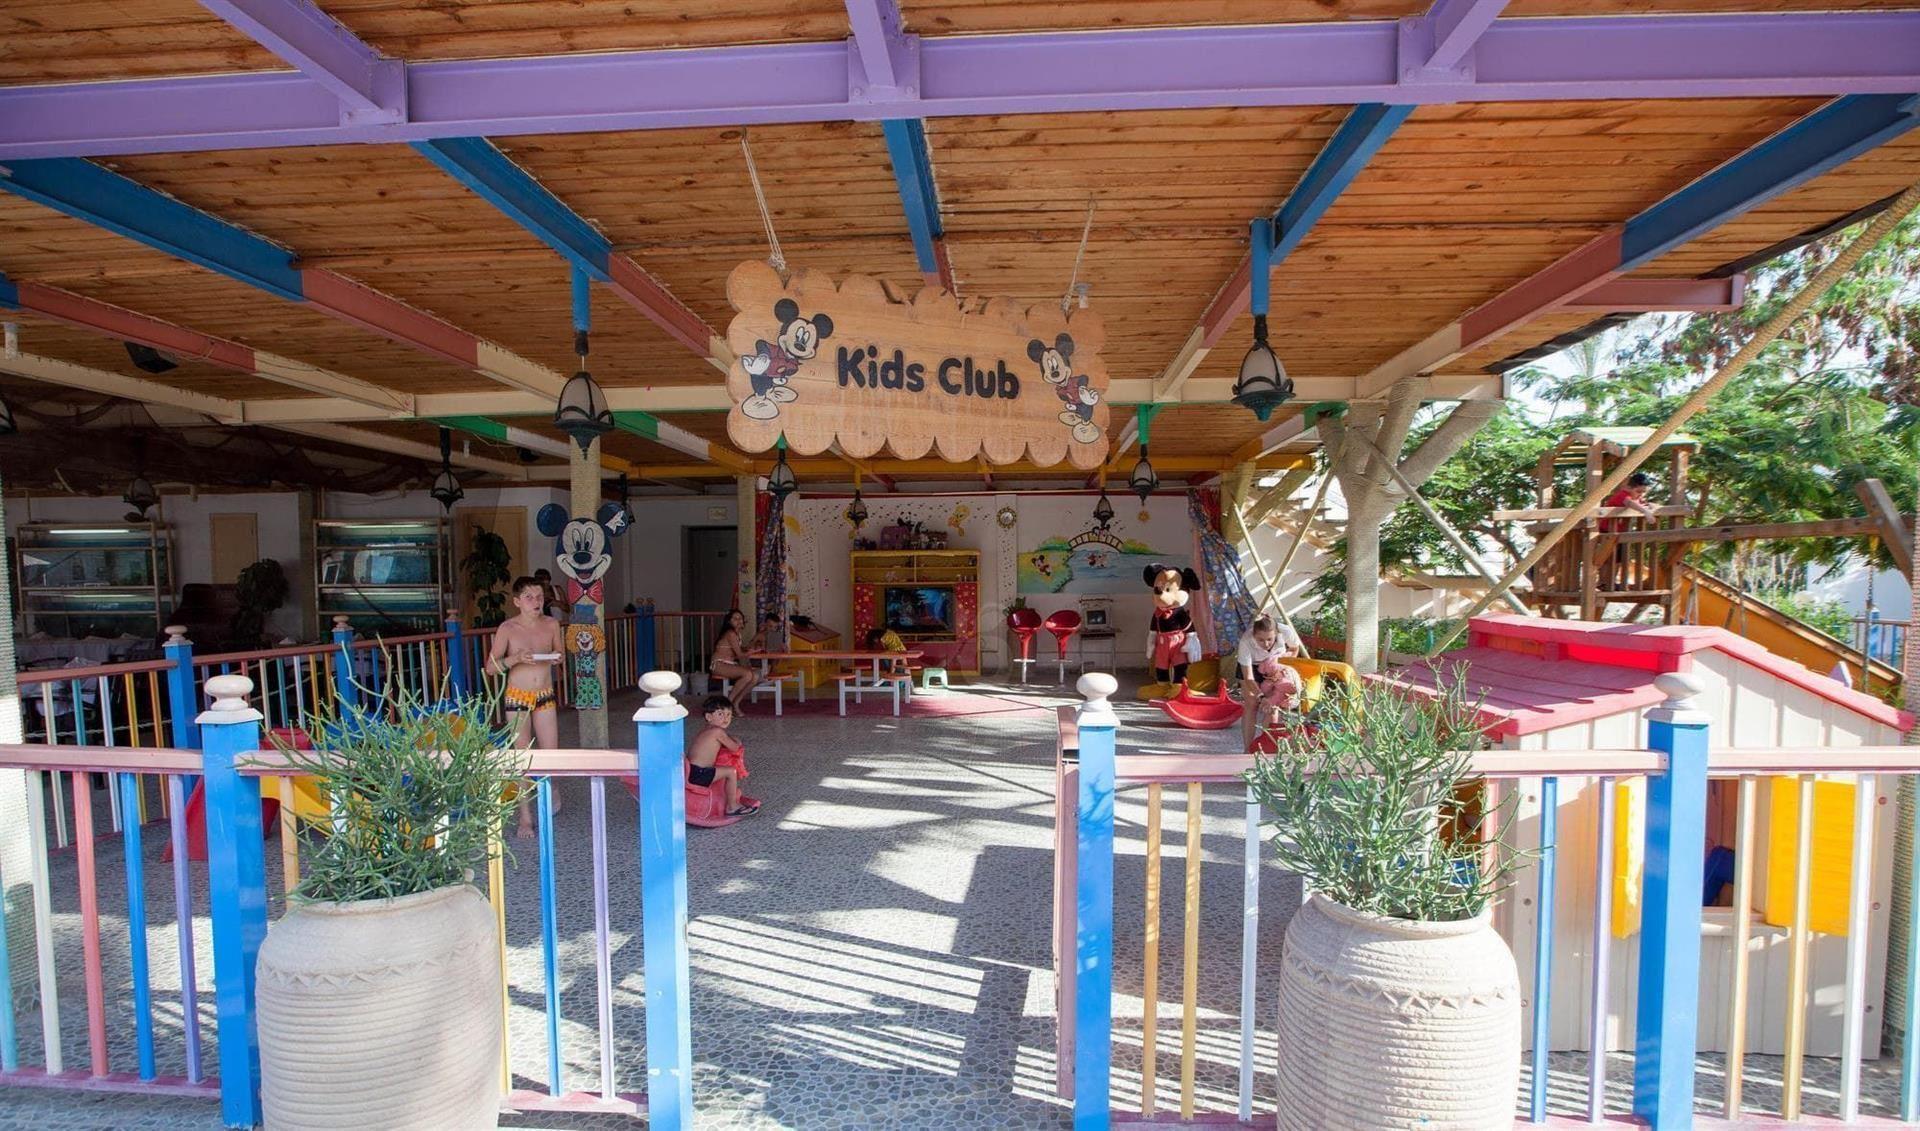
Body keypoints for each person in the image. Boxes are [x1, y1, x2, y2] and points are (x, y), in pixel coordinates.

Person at [488, 576, 565, 838]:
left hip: (545, 694)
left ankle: (550, 793)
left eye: (540, 597)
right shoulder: (507, 628)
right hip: (517, 696)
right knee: (522, 756)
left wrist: (557, 659)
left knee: (550, 755)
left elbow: (560, 653)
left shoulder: (552, 624)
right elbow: (491, 667)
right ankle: (525, 817)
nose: (536, 602)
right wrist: (516, 658)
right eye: (529, 597)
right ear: (517, 601)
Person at [1237, 615, 1305, 745]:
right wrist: (1261, 697)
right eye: (1260, 640)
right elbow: (1248, 677)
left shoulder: (1285, 631)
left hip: (1274, 665)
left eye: (1270, 639)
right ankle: (1247, 748)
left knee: (1272, 706)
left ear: (1276, 634)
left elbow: (1294, 649)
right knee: (1252, 703)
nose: (1266, 644)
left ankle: (1267, 745)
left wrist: (1282, 667)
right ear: (1254, 635)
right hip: (1252, 666)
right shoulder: (1245, 642)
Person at [687, 695, 758, 817]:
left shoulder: (707, 730)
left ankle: (727, 797)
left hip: (693, 771)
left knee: (723, 768)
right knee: (731, 772)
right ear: (709, 717)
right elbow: (735, 748)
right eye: (720, 714)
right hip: (699, 773)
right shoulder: (718, 732)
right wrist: (737, 741)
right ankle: (732, 807)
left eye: (729, 714)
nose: (726, 718)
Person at [1598, 472, 1661, 587]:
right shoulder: (1623, 495)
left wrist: (1652, 506)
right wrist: (1645, 512)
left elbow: (1643, 503)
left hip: (1620, 532)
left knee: (1618, 558)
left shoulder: (1636, 498)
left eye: (1643, 492)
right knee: (1606, 557)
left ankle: (1611, 582)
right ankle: (1602, 582)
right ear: (1629, 488)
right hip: (1607, 530)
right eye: (1638, 491)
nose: (1640, 495)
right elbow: (1629, 503)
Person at [708, 608, 763, 712]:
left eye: (740, 618)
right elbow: (740, 655)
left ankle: (736, 702)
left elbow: (739, 650)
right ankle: (728, 704)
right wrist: (750, 652)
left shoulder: (737, 634)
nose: (739, 621)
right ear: (729, 621)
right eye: (735, 619)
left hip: (730, 664)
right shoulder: (730, 633)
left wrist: (750, 648)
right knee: (748, 674)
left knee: (755, 676)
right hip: (719, 664)